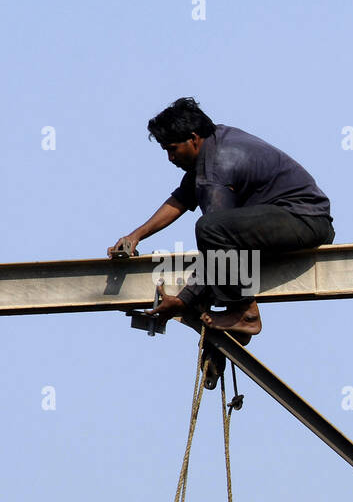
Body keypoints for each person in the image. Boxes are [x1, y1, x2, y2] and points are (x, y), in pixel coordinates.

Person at [109, 97, 335, 338]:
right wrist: (136, 236)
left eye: (172, 149)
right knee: (216, 232)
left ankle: (244, 311)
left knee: (210, 228)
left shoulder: (219, 165)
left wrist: (185, 299)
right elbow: (182, 198)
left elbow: (216, 244)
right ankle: (236, 311)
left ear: (193, 138)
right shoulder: (214, 143)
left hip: (304, 220)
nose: (170, 158)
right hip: (293, 219)